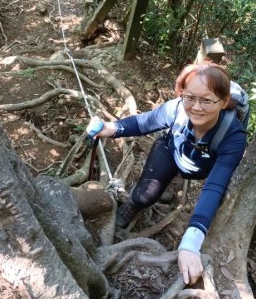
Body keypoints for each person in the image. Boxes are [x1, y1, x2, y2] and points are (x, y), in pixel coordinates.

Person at [86, 61, 247, 285]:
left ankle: (165, 188)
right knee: (145, 196)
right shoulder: (177, 109)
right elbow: (145, 122)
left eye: (207, 100)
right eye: (190, 97)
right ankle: (135, 204)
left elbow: (215, 186)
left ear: (224, 102)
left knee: (209, 200)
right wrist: (110, 128)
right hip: (172, 150)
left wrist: (191, 242)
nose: (196, 107)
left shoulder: (233, 137)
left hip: (203, 168)